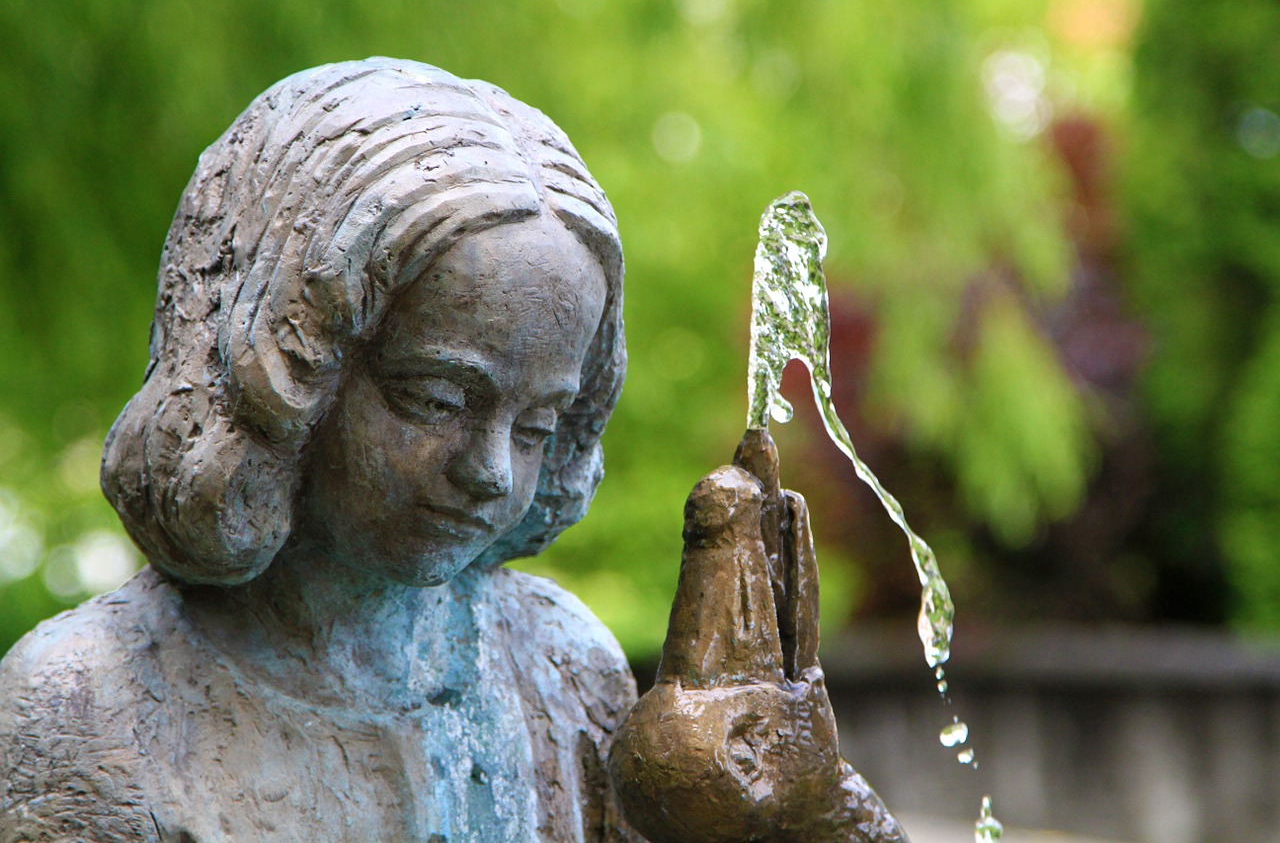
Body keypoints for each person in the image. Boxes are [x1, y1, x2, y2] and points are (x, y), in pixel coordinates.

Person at [0, 58, 907, 842]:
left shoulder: (560, 669)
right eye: (434, 399)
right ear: (286, 368)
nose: (491, 469)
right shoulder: (89, 708)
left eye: (539, 424)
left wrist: (810, 808)